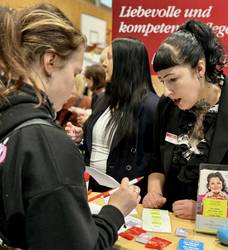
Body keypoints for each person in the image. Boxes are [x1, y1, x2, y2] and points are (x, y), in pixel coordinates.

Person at [0, 4, 140, 250]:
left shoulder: (11, 121)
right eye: (74, 73)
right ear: (50, 61)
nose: (73, 88)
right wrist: (115, 211)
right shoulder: (45, 143)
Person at [142, 19, 228, 220]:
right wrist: (154, 191)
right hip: (168, 223)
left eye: (173, 79)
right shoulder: (167, 107)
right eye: (162, 81)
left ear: (199, 69)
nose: (166, 90)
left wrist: (204, 208)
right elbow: (156, 160)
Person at [66, 37, 159, 198]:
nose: (104, 64)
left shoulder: (151, 106)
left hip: (127, 194)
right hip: (94, 189)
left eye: (109, 58)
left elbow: (153, 157)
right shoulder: (103, 99)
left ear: (126, 62)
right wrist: (82, 136)